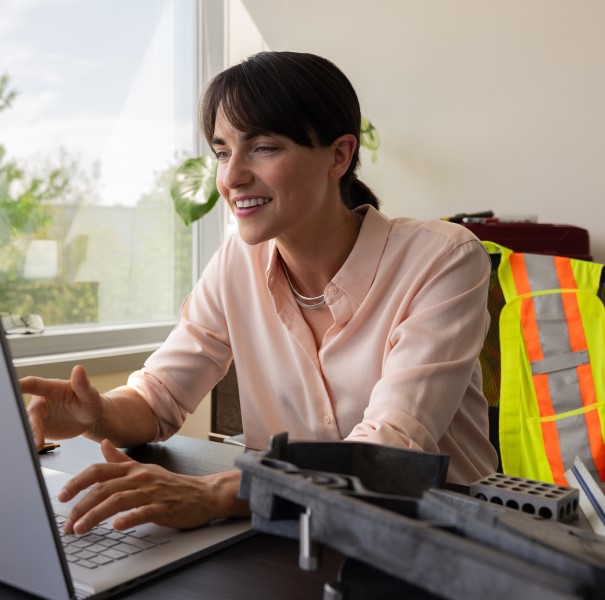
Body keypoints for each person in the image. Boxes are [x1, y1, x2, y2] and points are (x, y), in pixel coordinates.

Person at [21, 51, 498, 536]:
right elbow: (159, 396)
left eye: (264, 148)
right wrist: (97, 413)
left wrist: (217, 493)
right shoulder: (237, 263)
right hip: (293, 535)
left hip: (443, 541)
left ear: (340, 155)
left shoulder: (442, 258)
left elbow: (389, 451)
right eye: (223, 152)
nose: (231, 177)